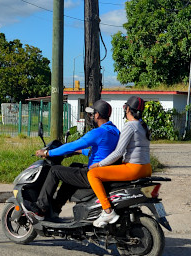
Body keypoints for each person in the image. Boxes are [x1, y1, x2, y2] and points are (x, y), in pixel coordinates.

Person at [28, 99, 119, 220]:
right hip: (105, 172)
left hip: (94, 174)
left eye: (92, 114)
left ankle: (40, 207)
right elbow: (102, 151)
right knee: (73, 167)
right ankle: (55, 208)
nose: (91, 117)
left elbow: (74, 145)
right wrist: (80, 152)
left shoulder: (98, 132)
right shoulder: (115, 131)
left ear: (97, 115)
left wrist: (48, 152)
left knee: (55, 171)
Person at [88, 95, 153, 227]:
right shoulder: (143, 126)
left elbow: (118, 153)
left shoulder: (130, 126)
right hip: (146, 168)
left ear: (128, 109)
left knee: (93, 174)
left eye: (125, 107)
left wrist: (99, 164)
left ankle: (107, 210)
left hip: (134, 168)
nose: (124, 110)